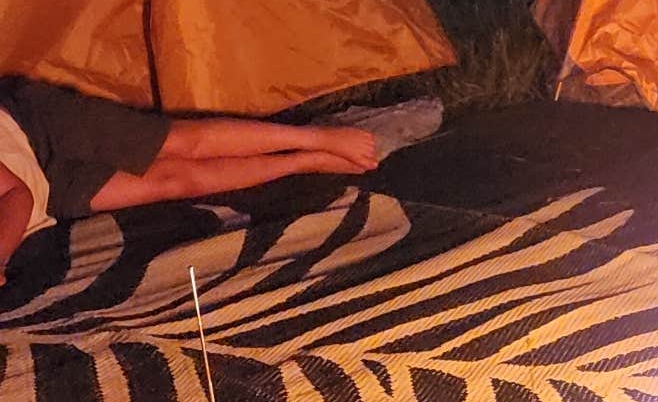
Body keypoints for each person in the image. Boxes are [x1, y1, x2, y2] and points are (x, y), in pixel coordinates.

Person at [0, 74, 378, 278]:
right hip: (46, 189)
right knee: (174, 183)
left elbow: (17, 196)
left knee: (181, 143)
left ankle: (314, 136)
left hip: (32, 127)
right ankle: (302, 161)